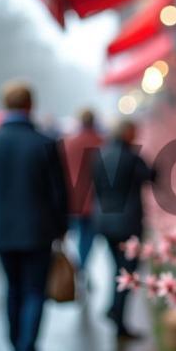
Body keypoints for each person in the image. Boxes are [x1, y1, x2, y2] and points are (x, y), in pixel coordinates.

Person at [0, 83, 68, 351]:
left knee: (13, 290)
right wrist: (61, 228)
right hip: (39, 232)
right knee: (33, 292)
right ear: (30, 105)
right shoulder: (45, 143)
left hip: (3, 231)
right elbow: (59, 193)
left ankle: (16, 349)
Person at [92, 120, 155, 339]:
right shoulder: (131, 157)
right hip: (127, 223)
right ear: (127, 133)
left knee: (118, 270)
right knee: (128, 273)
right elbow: (150, 177)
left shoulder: (100, 154)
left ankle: (114, 310)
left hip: (104, 220)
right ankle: (118, 318)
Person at [61, 109, 103, 274]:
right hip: (93, 199)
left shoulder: (68, 143)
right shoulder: (101, 141)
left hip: (71, 198)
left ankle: (75, 267)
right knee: (87, 237)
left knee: (72, 234)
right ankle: (82, 267)